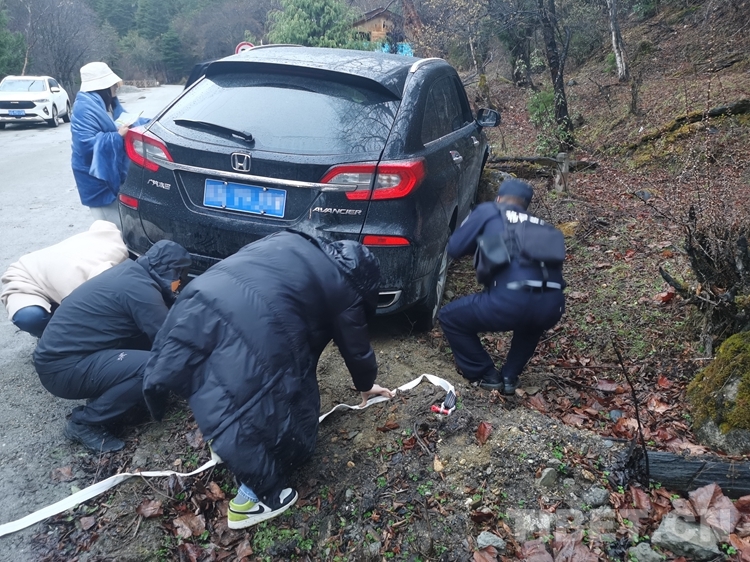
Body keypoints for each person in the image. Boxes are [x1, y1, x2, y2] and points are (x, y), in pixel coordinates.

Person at [142, 231, 393, 529]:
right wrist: (366, 384)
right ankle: (254, 498)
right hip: (257, 324)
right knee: (272, 402)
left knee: (215, 376)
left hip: (200, 297)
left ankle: (224, 447)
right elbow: (356, 348)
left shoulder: (294, 240)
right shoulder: (345, 286)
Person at [33, 240, 191, 453]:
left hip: (70, 358)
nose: (179, 285)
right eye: (179, 279)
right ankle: (85, 423)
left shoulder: (132, 273)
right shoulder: (141, 290)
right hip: (63, 370)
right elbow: (170, 341)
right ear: (173, 273)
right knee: (152, 367)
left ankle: (115, 394)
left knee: (146, 347)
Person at [438, 179, 566, 394]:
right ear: (525, 205)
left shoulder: (489, 211)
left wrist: (481, 243)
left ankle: (485, 374)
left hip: (510, 301)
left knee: (450, 317)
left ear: (498, 198)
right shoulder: (544, 226)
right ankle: (509, 376)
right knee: (532, 323)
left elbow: (455, 247)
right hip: (552, 306)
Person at [1, 220, 129, 338]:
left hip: (55, 271)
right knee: (30, 317)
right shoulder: (90, 282)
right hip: (26, 277)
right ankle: (49, 338)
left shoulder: (109, 237)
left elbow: (101, 223)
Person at [70, 62, 146, 230]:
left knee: (119, 221)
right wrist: (117, 136)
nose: (116, 87)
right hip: (94, 176)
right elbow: (85, 146)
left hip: (110, 171)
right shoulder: (83, 108)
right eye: (113, 84)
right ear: (103, 86)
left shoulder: (109, 103)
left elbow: (123, 118)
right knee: (109, 226)